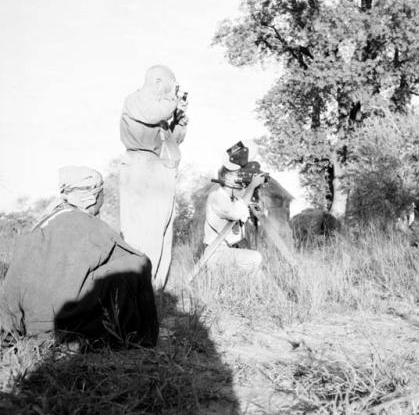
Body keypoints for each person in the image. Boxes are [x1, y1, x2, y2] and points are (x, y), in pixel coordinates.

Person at [0, 166, 158, 347]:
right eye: (102, 193)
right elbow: (133, 258)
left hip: (24, 324)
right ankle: (138, 337)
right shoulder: (89, 225)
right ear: (96, 197)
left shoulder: (43, 223)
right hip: (66, 327)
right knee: (136, 265)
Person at [119, 65, 188, 291]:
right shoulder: (136, 100)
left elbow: (173, 141)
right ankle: (137, 289)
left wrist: (181, 120)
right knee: (141, 233)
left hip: (160, 169)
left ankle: (154, 290)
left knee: (161, 232)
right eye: (171, 84)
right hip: (140, 168)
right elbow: (155, 114)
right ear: (158, 82)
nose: (173, 90)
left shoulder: (163, 110)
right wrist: (173, 102)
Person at [201, 155, 266, 274]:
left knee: (259, 275)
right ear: (227, 176)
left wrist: (256, 194)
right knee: (255, 258)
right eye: (238, 174)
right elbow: (235, 213)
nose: (241, 177)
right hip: (217, 253)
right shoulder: (216, 196)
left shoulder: (235, 200)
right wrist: (252, 186)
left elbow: (257, 213)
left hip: (232, 252)